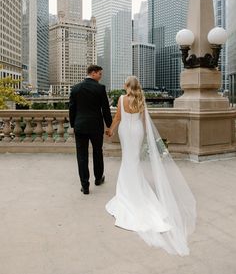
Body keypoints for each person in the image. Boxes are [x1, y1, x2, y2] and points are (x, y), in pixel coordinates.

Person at [106, 76, 196, 256]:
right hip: (138, 130)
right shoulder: (141, 99)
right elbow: (145, 120)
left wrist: (111, 130)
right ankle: (135, 190)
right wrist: (145, 136)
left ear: (126, 85)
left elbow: (117, 117)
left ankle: (127, 193)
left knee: (128, 161)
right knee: (134, 161)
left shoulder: (122, 99)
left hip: (125, 131)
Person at [69, 65, 112, 195]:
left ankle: (85, 186)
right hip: (96, 126)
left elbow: (72, 109)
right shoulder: (100, 88)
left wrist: (73, 124)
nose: (100, 76)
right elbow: (105, 109)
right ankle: (98, 179)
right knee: (97, 152)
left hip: (80, 126)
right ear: (92, 73)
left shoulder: (75, 88)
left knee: (81, 156)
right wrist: (109, 125)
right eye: (99, 74)